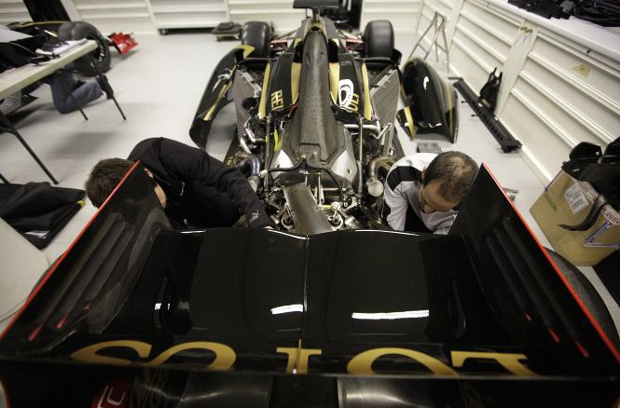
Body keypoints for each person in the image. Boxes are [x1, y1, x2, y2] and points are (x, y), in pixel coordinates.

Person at [85, 137, 271, 228]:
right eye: (142, 208)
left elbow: (228, 176)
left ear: (148, 173)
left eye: (150, 197)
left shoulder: (165, 153)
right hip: (177, 220)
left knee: (229, 213)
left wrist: (260, 221)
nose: (155, 205)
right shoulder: (123, 204)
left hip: (199, 197)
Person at [382, 151, 478, 234]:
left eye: (440, 209)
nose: (427, 211)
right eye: (425, 199)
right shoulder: (401, 174)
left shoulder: (469, 212)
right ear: (424, 174)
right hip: (407, 211)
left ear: (461, 201)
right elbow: (394, 233)